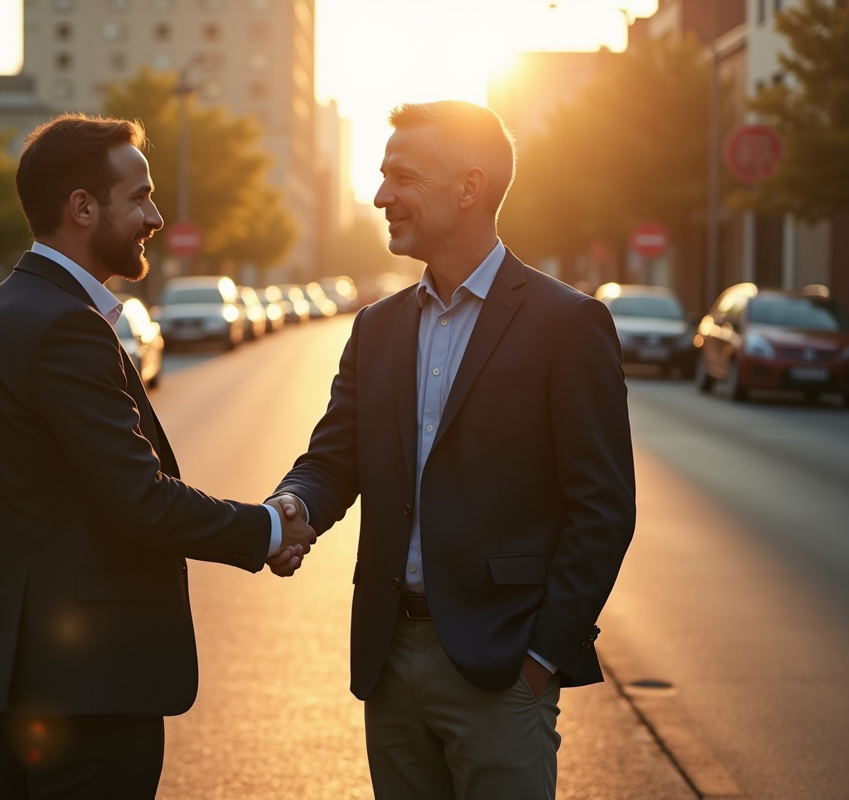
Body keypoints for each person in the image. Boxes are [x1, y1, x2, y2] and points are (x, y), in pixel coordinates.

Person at [0, 114, 316, 799]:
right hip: (87, 690)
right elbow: (138, 499)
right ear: (81, 208)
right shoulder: (64, 328)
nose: (155, 214)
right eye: (139, 196)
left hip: (14, 678)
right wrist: (266, 530)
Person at [272, 100, 636, 799]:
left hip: (501, 664)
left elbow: (603, 508)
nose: (381, 195)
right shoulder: (376, 329)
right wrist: (291, 507)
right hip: (387, 659)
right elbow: (333, 460)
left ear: (469, 188)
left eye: (401, 176)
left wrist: (541, 656)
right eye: (381, 176)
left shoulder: (568, 323)